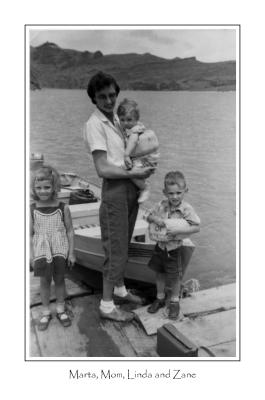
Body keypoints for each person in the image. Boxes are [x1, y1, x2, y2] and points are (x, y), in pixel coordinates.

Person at [84, 71, 154, 322]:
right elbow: (102, 168)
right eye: (102, 96)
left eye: (112, 95)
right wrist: (135, 172)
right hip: (114, 191)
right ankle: (106, 305)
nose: (109, 100)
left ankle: (120, 290)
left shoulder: (115, 117)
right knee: (116, 251)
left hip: (130, 190)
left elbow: (130, 147)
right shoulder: (94, 125)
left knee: (122, 244)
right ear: (94, 98)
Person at [146, 171, 200, 320]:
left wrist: (179, 230)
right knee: (159, 272)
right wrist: (154, 219)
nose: (174, 196)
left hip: (174, 249)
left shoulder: (187, 209)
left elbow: (196, 227)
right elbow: (147, 215)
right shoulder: (160, 205)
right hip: (160, 247)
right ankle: (160, 298)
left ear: (185, 191)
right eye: (171, 193)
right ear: (165, 193)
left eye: (178, 193)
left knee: (175, 277)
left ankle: (175, 302)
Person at [30, 165, 76, 331]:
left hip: (59, 249)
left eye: (47, 187)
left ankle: (61, 309)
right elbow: (29, 235)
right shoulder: (32, 209)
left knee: (59, 279)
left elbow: (70, 231)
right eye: (39, 187)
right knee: (44, 281)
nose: (43, 191)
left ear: (55, 186)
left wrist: (71, 253)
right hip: (41, 251)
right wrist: (31, 255)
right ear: (34, 188)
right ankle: (45, 311)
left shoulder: (63, 208)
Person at [117, 98, 159, 203]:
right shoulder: (136, 126)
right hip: (147, 158)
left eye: (129, 120)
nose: (125, 123)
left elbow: (133, 141)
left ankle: (144, 188)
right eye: (122, 120)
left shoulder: (135, 130)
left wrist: (126, 154)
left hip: (146, 160)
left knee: (128, 170)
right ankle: (141, 186)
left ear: (136, 119)